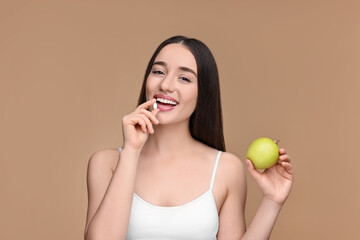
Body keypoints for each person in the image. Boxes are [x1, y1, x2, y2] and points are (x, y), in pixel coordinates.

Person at [84, 36, 294, 240]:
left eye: (184, 78)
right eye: (158, 71)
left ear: (203, 93)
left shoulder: (226, 168)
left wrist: (272, 202)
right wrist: (131, 151)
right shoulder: (106, 163)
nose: (166, 85)